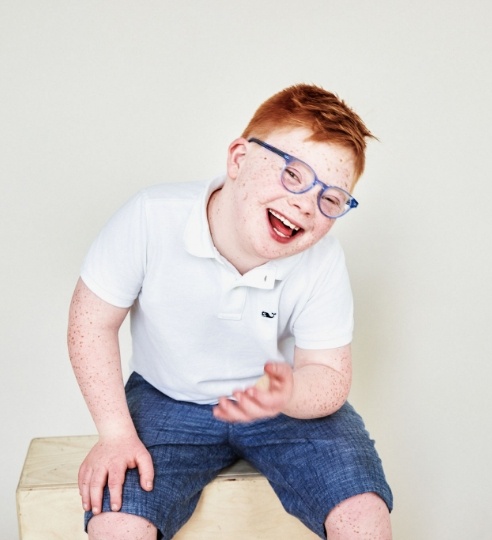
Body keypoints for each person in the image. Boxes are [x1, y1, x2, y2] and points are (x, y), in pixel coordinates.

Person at [67, 83, 393, 539]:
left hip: (283, 405)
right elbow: (91, 323)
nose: (305, 203)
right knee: (117, 520)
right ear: (239, 160)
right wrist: (115, 432)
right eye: (293, 174)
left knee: (363, 512)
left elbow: (329, 374)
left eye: (331, 199)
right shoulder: (151, 217)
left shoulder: (322, 261)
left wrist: (289, 394)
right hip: (167, 396)